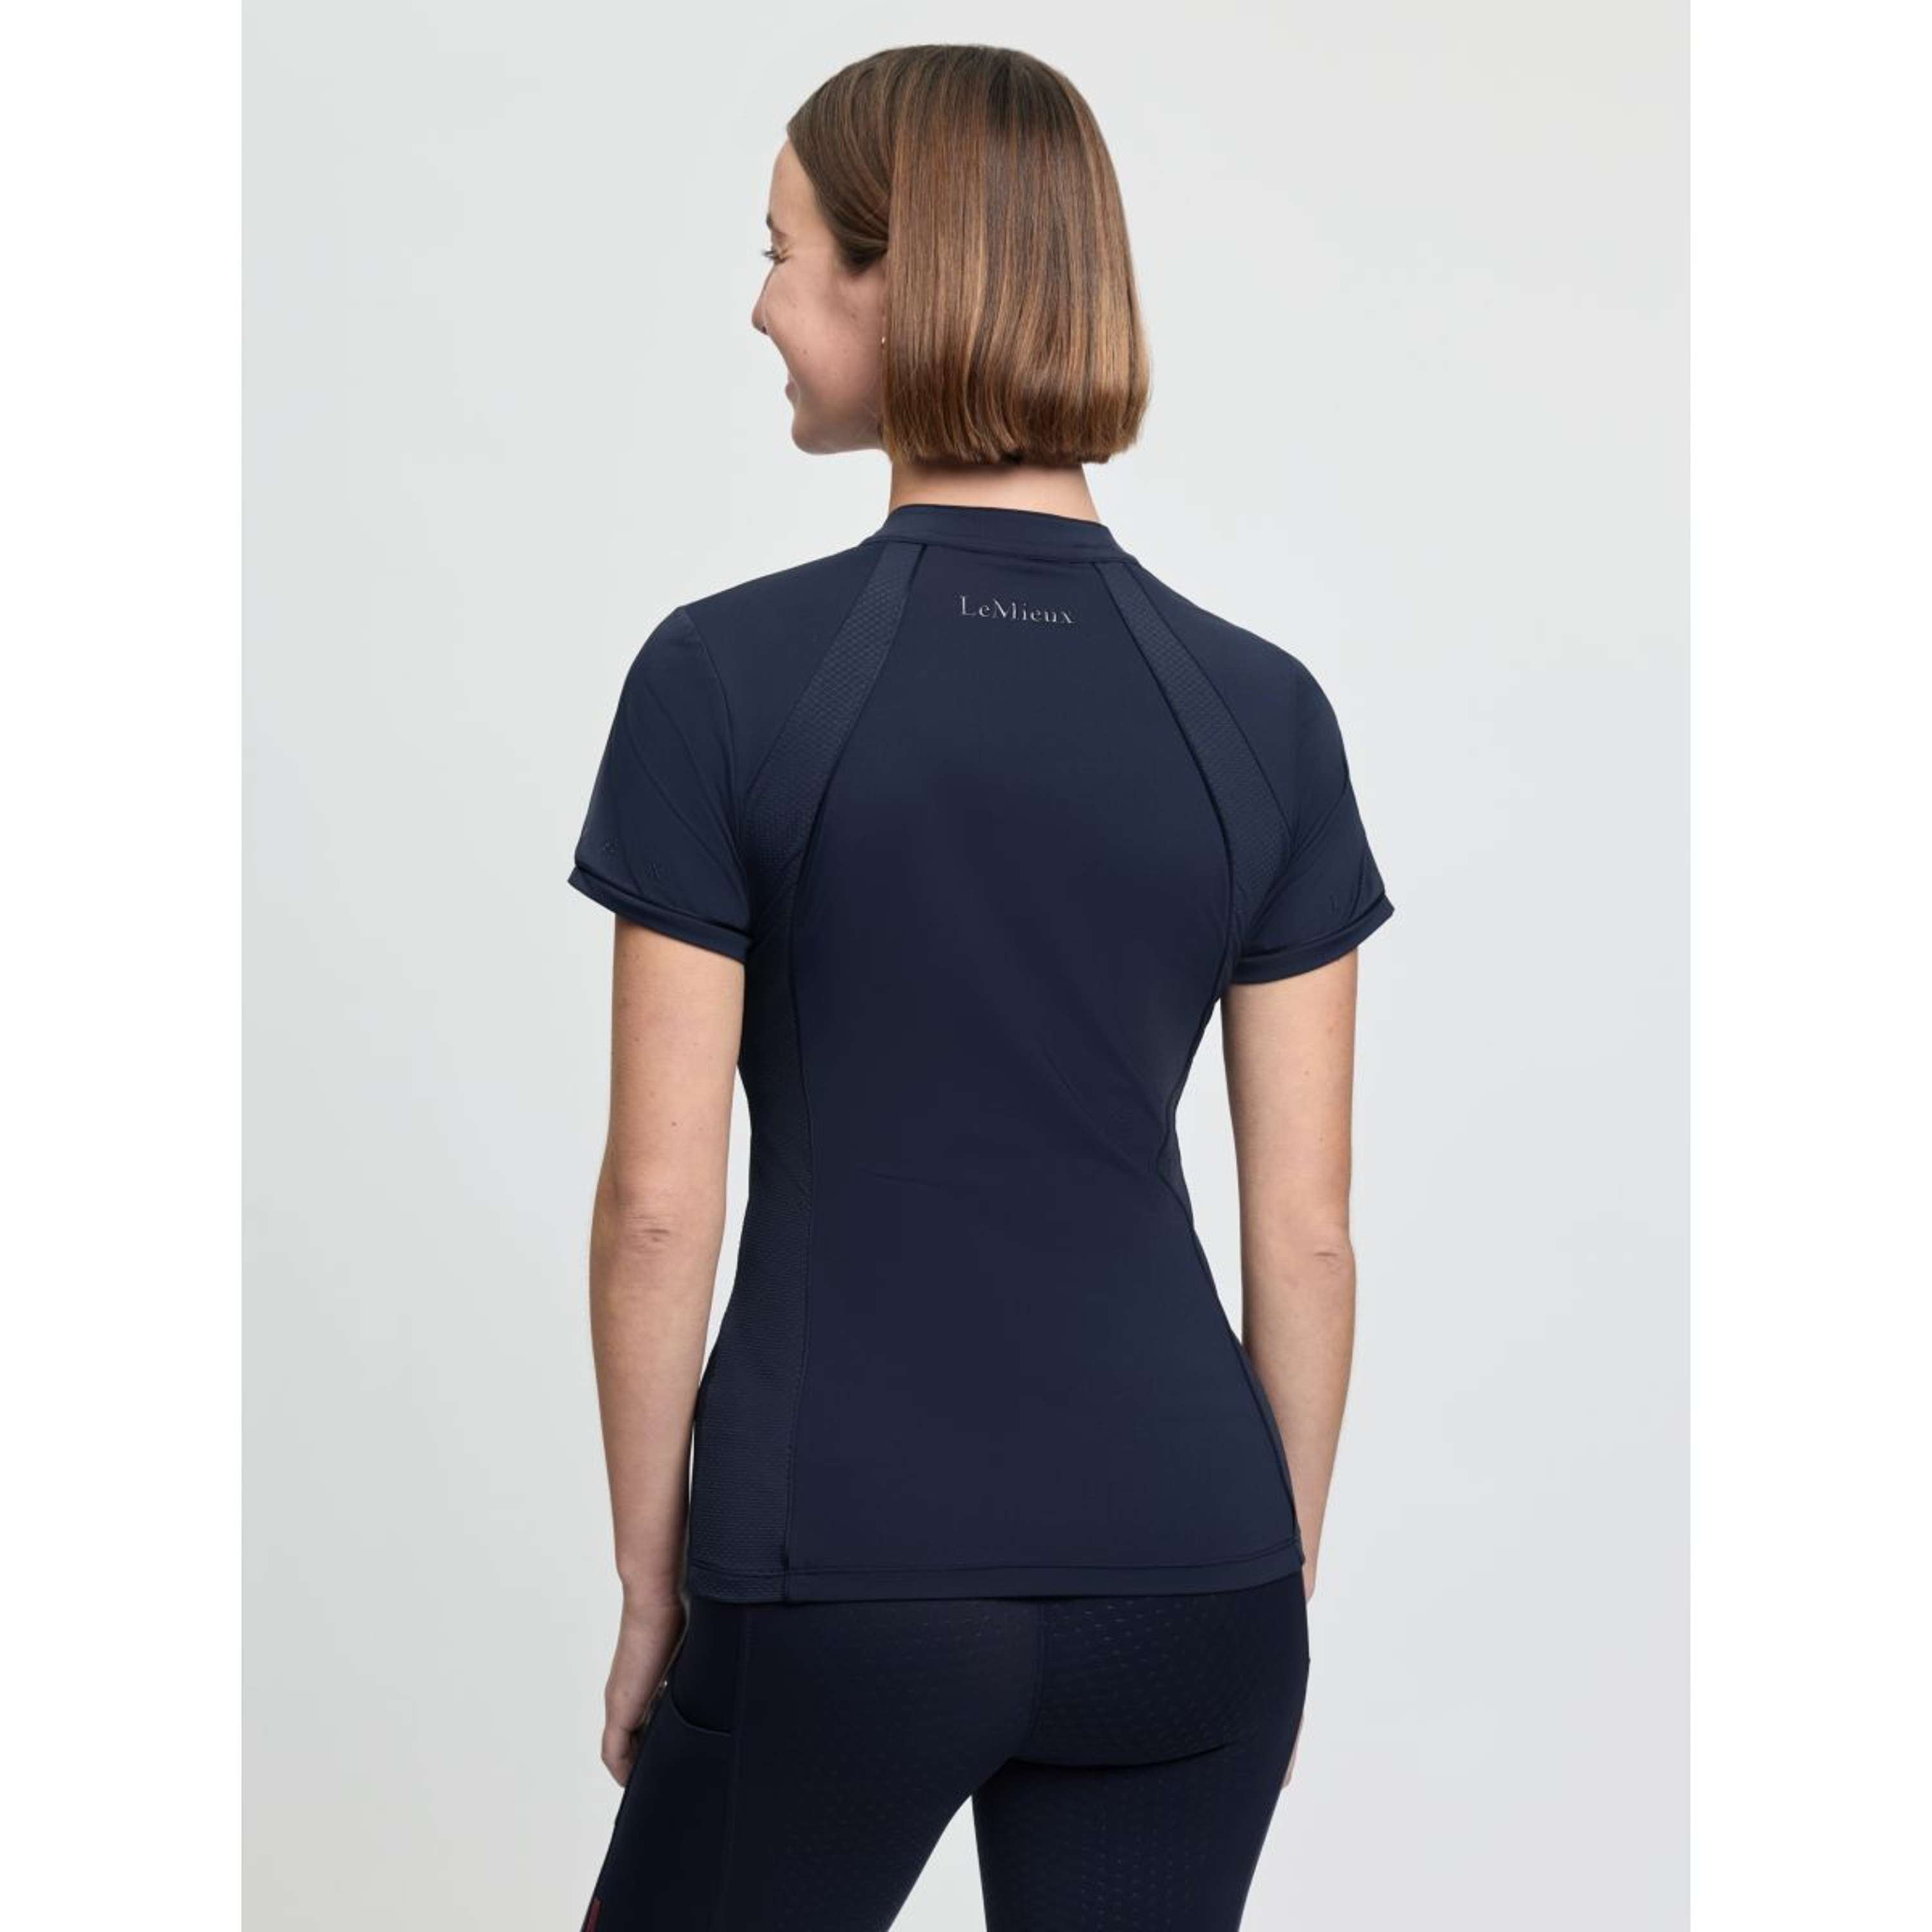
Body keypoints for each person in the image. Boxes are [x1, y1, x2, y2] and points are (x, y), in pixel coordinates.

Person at [565, 43, 1394, 1932]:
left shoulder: (724, 680)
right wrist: (1267, 1589)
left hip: (838, 1574)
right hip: (1196, 1581)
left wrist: (651, 1586)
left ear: (901, 275)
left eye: (783, 251)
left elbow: (659, 1206)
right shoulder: (1263, 713)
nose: (760, 305)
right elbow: (1311, 1234)